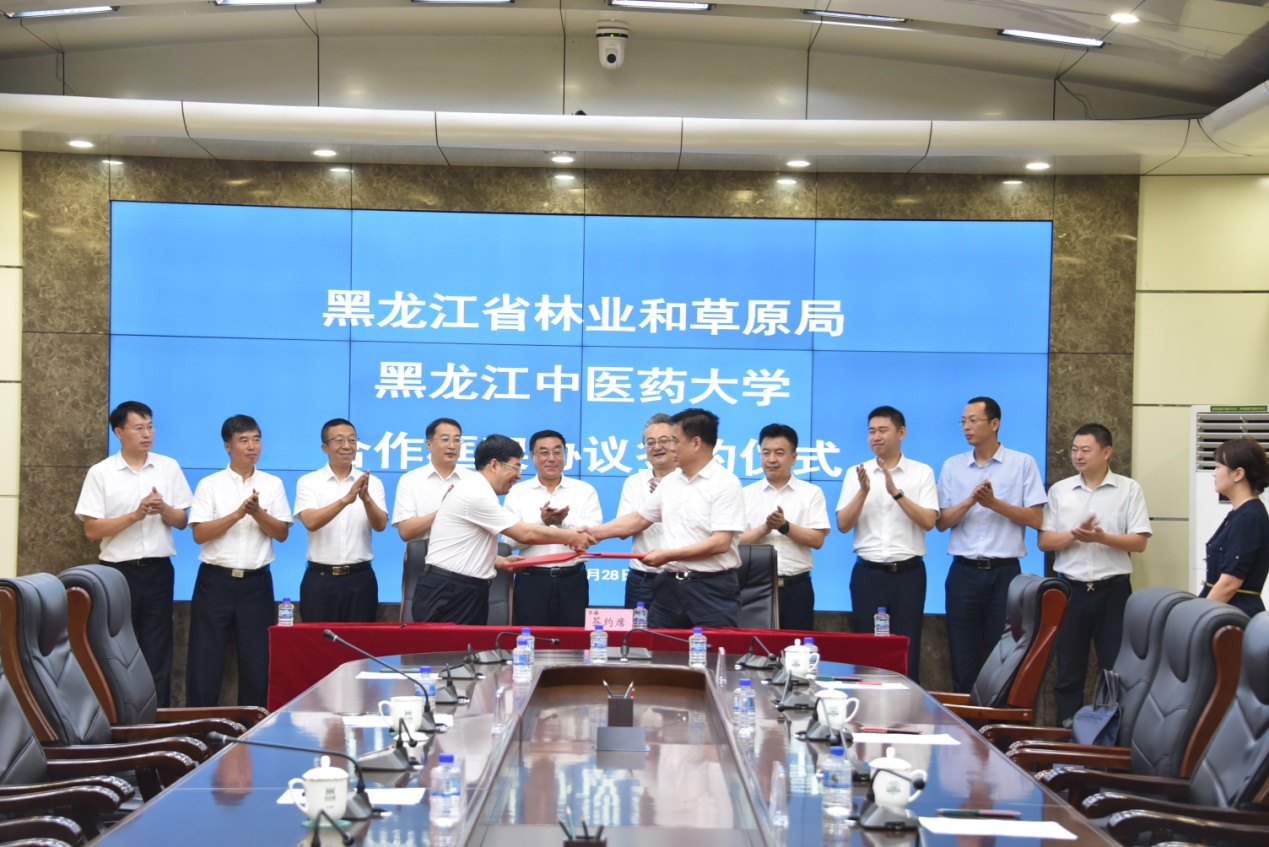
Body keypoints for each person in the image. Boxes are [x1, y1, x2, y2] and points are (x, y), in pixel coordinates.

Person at [74, 400, 193, 708]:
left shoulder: (168, 467)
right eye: (138, 428)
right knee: (115, 649)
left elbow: (182, 521)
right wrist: (136, 515)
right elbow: (92, 530)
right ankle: (119, 719)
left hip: (158, 570)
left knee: (158, 650)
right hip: (116, 573)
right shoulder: (101, 473)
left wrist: (163, 508)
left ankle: (158, 719)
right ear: (119, 432)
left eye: (150, 427)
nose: (147, 434)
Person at [585, 408, 746, 628]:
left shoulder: (725, 483)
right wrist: (591, 534)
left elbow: (720, 543)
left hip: (712, 590)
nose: (670, 448)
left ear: (696, 443)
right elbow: (639, 519)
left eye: (674, 441)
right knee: (653, 645)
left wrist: (668, 555)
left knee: (714, 647)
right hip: (670, 588)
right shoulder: (671, 482)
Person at [412, 434, 594, 625]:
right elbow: (525, 533)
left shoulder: (479, 490)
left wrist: (499, 561)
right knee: (448, 646)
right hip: (450, 592)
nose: (519, 475)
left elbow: (463, 545)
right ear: (494, 465)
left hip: (461, 590)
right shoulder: (476, 494)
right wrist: (571, 536)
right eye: (516, 467)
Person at [1038, 424, 1151, 726]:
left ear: (1107, 452)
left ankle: (1110, 737)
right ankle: (1066, 737)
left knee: (1114, 670)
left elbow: (1139, 542)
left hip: (1113, 592)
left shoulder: (1129, 489)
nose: (1078, 455)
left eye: (1086, 450)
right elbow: (1045, 542)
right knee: (1068, 671)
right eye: (1075, 449)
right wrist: (1074, 535)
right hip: (1070, 592)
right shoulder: (1060, 490)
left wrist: (1102, 538)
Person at [936, 396, 1047, 693]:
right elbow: (942, 522)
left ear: (995, 423)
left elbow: (1036, 518)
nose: (966, 427)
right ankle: (964, 721)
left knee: (1006, 660)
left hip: (1005, 574)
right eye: (963, 421)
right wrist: (971, 501)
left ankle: (1000, 722)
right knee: (963, 659)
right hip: (963, 573)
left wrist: (994, 504)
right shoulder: (953, 466)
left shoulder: (1022, 463)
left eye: (974, 420)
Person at [186, 414, 292, 708]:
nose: (252, 447)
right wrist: (237, 514)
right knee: (205, 661)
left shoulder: (273, 484)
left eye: (256, 440)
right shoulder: (210, 484)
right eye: (243, 440)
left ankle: (252, 726)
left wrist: (257, 513)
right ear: (227, 446)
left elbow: (281, 533)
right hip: (215, 582)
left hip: (256, 584)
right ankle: (200, 726)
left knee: (257, 662)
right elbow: (199, 534)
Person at [835, 406, 939, 682]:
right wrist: (863, 491)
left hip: (908, 574)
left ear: (901, 432)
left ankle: (906, 704)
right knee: (866, 650)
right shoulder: (856, 473)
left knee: (907, 647)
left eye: (883, 430)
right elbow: (843, 524)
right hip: (868, 574)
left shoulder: (921, 472)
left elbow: (929, 521)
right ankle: (866, 704)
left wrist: (896, 493)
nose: (876, 437)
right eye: (871, 431)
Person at [293, 418, 388, 623]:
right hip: (320, 579)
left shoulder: (372, 482)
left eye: (352, 440)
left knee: (359, 641)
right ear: (325, 447)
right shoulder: (309, 482)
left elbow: (380, 525)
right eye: (339, 440)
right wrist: (346, 499)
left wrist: (366, 499)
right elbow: (310, 522)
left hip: (360, 579)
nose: (347, 446)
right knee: (317, 640)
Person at [504, 429, 603, 627]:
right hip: (532, 581)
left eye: (557, 452)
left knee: (573, 641)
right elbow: (509, 543)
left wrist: (560, 524)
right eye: (544, 452)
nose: (551, 458)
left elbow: (593, 536)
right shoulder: (517, 493)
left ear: (565, 455)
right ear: (532, 456)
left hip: (572, 580)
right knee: (531, 639)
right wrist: (541, 522)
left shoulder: (584, 491)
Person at [740, 423, 830, 631]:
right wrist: (764, 529)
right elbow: (735, 541)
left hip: (796, 588)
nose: (771, 459)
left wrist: (784, 526)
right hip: (754, 588)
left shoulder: (811, 493)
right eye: (766, 453)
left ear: (794, 457)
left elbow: (817, 540)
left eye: (779, 453)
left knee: (796, 647)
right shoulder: (745, 494)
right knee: (755, 648)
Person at [1200, 436, 1269, 617]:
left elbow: (1229, 583)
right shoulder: (1240, 514)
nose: (1213, 473)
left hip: (1233, 615)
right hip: (1224, 610)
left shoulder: (1249, 517)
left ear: (1238, 474)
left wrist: (1198, 616)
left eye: (1218, 467)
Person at [617, 413, 678, 608]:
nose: (657, 447)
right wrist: (653, 505)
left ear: (676, 443)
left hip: (681, 577)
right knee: (637, 628)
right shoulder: (634, 483)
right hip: (642, 579)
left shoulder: (691, 481)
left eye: (664, 441)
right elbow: (623, 531)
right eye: (650, 443)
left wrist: (668, 500)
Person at [392, 418, 471, 543]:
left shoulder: (473, 480)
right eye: (445, 439)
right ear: (429, 444)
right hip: (423, 554)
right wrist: (443, 510)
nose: (452, 446)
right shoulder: (410, 480)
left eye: (457, 440)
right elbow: (405, 532)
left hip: (465, 553)